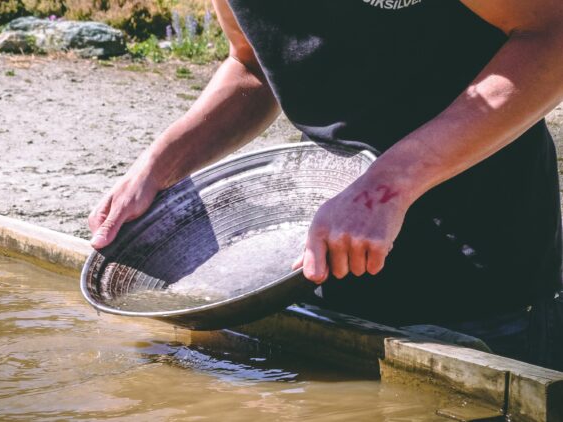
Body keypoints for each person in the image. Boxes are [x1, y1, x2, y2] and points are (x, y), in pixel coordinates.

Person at [88, 0, 563, 369]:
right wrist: (156, 167)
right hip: (319, 258)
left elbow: (551, 34)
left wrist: (390, 184)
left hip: (482, 268)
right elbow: (254, 63)